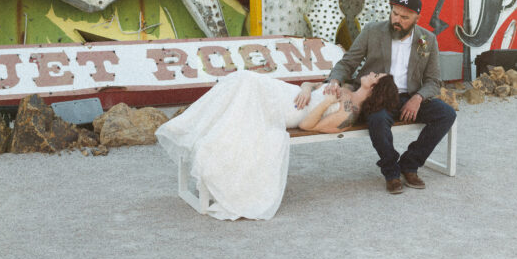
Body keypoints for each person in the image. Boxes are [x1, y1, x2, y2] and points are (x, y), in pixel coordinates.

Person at [156, 69, 397, 220]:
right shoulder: (346, 88)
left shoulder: (349, 113)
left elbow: (307, 126)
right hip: (288, 93)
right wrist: (305, 88)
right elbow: (313, 86)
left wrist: (324, 104)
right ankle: (191, 130)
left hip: (288, 110)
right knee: (243, 79)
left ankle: (190, 130)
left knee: (245, 81)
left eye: (376, 76)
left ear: (375, 88)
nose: (372, 73)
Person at [325, 0, 457, 194]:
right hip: (378, 96)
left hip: (409, 96)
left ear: (417, 18)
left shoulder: (427, 39)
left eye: (404, 17)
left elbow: (433, 80)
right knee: (377, 121)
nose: (397, 20)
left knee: (446, 114)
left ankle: (410, 164)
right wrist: (335, 79)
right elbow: (348, 62)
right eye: (394, 13)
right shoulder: (372, 31)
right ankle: (391, 171)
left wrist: (418, 97)